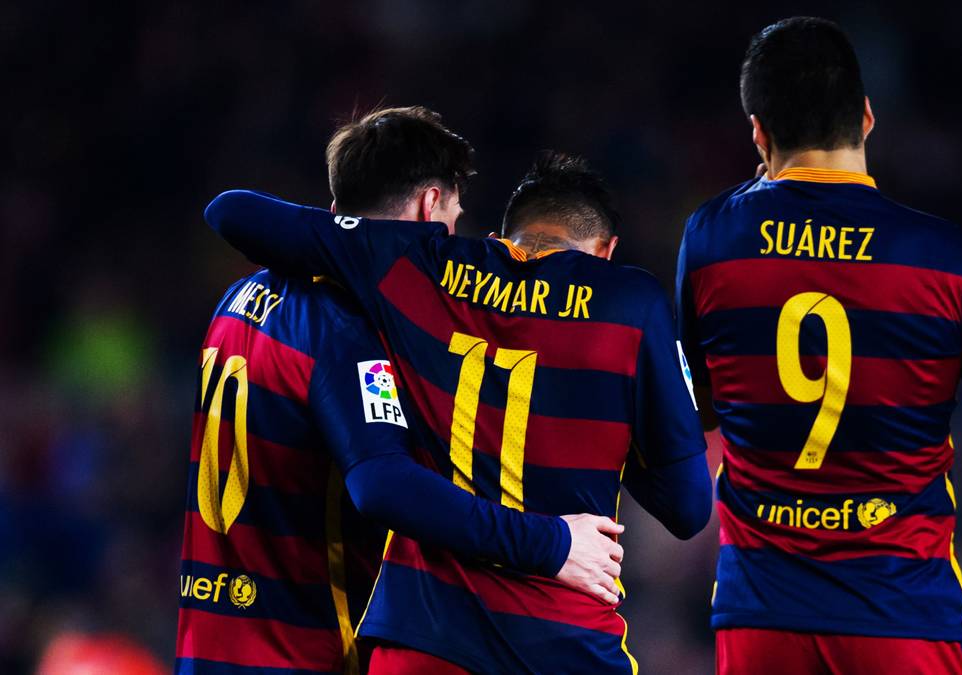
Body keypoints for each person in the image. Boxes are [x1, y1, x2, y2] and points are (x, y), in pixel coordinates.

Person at [204, 113, 714, 673]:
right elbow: (689, 507)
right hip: (561, 644)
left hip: (416, 640)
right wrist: (615, 413)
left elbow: (230, 210)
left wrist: (354, 238)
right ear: (608, 250)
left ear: (499, 240)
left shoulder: (427, 273)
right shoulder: (632, 301)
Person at [675, 17, 962, 675]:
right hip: (905, 619)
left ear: (758, 132)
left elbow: (699, 413)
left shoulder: (711, 238)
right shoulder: (953, 260)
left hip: (760, 622)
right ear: (866, 118)